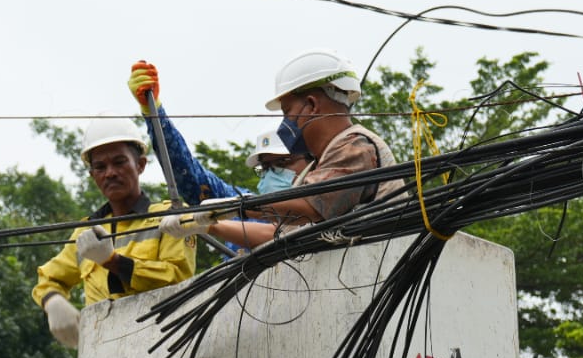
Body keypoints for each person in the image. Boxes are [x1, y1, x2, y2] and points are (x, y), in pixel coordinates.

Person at [160, 49, 403, 248]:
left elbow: (310, 208)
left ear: (311, 105)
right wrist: (208, 224)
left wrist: (239, 204)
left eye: (287, 111)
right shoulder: (316, 168)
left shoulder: (355, 146)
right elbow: (279, 233)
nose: (285, 123)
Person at [32, 116, 197, 349]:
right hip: (102, 352)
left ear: (140, 164)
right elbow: (49, 278)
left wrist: (114, 262)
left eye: (119, 162)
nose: (110, 173)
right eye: (100, 167)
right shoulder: (86, 231)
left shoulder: (170, 217)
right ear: (92, 176)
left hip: (159, 344)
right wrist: (52, 300)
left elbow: (178, 278)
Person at [127, 60, 310, 200]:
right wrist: (153, 111)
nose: (271, 177)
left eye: (283, 163)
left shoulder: (334, 207)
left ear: (313, 162)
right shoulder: (250, 214)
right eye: (265, 168)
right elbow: (192, 179)